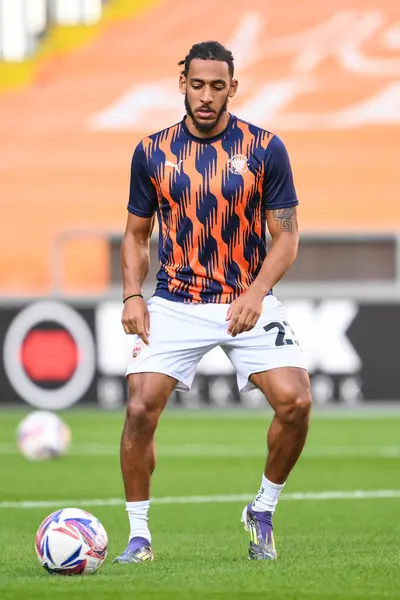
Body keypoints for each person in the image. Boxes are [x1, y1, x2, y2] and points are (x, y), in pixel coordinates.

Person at [113, 40, 312, 564]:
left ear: (232, 88)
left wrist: (256, 292)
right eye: (196, 85)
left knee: (296, 402)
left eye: (216, 87)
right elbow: (136, 235)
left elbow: (286, 236)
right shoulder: (152, 151)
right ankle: (139, 538)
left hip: (245, 296)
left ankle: (262, 510)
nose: (205, 96)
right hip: (175, 300)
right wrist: (133, 294)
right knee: (138, 410)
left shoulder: (265, 148)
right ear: (182, 83)